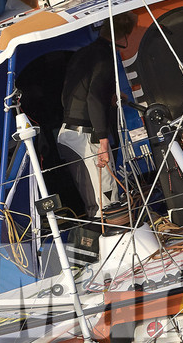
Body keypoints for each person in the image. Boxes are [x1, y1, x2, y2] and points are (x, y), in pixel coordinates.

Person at [58, 12, 137, 219]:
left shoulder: (84, 53)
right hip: (86, 137)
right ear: (123, 37)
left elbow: (77, 92)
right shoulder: (105, 58)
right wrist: (103, 142)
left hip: (69, 132)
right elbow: (94, 98)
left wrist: (109, 93)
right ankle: (115, 242)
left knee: (95, 199)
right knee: (106, 202)